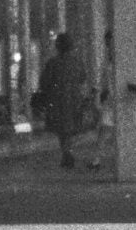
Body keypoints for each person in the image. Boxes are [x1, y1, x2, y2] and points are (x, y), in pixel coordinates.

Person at [32, 31, 96, 169]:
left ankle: (66, 153)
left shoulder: (53, 63)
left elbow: (44, 82)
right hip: (74, 99)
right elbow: (82, 78)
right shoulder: (77, 62)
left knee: (62, 129)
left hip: (56, 100)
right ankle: (68, 152)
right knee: (71, 128)